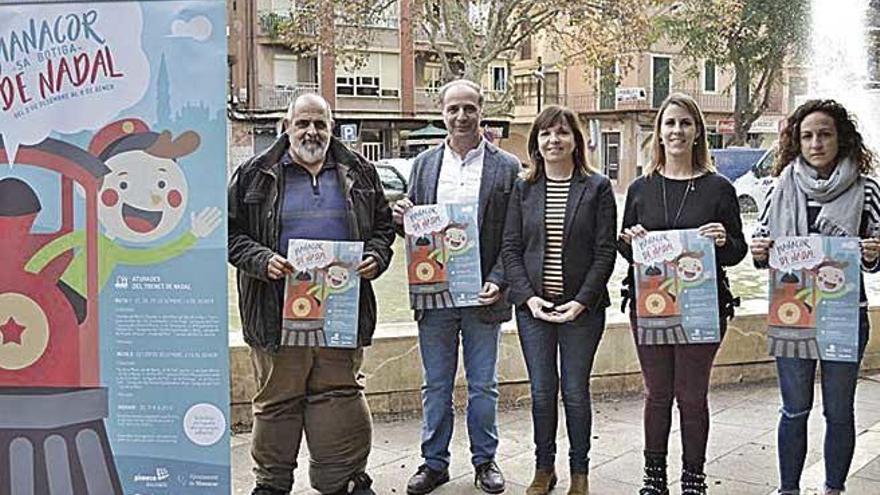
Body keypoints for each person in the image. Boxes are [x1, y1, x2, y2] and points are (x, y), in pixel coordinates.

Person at [227, 94, 395, 495]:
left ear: (332, 127)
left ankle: (344, 480)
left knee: (339, 394)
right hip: (275, 310)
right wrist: (260, 258)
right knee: (276, 402)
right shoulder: (254, 173)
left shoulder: (360, 171)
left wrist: (375, 255)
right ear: (287, 125)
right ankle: (271, 484)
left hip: (341, 308)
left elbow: (384, 229)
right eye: (302, 123)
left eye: (320, 123)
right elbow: (230, 235)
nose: (311, 132)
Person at [391, 79, 520, 495]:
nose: (461, 117)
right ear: (442, 113)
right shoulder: (425, 165)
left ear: (481, 111)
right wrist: (404, 222)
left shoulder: (507, 167)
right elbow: (418, 236)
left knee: (483, 384)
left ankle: (485, 461)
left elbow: (513, 238)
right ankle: (434, 463)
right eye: (453, 109)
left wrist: (498, 280)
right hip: (436, 296)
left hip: (485, 294)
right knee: (436, 384)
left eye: (469, 109)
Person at [618, 93, 747, 495]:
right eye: (670, 123)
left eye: (685, 123)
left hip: (703, 307)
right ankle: (653, 478)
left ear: (697, 132)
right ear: (658, 132)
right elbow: (625, 249)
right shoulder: (640, 188)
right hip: (651, 305)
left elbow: (737, 252)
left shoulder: (719, 189)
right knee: (657, 394)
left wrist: (724, 239)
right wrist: (631, 239)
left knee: (692, 396)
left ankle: (694, 478)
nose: (676, 131)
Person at [750, 99, 880, 495]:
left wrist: (875, 254)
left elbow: (875, 256)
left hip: (844, 315)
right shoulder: (779, 187)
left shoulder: (867, 188)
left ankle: (834, 488)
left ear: (841, 138)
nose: (816, 142)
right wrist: (759, 252)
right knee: (794, 409)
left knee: (839, 411)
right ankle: (789, 489)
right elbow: (763, 246)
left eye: (824, 134)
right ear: (796, 141)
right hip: (792, 315)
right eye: (807, 135)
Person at [501, 105, 617, 495]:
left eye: (563, 133)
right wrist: (528, 299)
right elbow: (511, 248)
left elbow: (605, 253)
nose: (554, 140)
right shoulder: (523, 188)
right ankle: (543, 468)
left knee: (575, 391)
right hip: (534, 310)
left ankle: (580, 473)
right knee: (541, 391)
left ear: (575, 140)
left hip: (581, 311)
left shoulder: (597, 187)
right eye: (546, 133)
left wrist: (582, 301)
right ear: (536, 142)